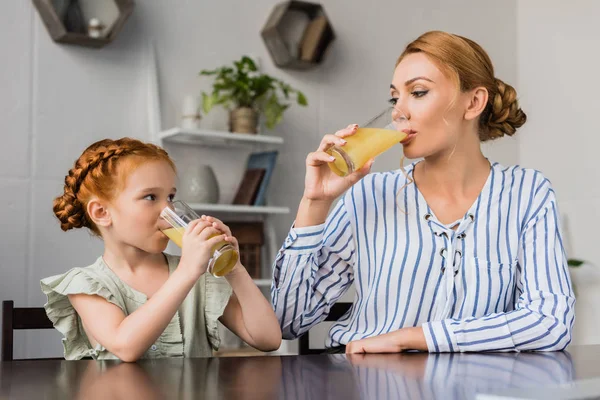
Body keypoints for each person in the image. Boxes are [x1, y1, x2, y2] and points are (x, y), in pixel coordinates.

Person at [271, 31, 574, 353]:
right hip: (366, 383)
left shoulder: (526, 193)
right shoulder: (369, 195)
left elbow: (550, 323)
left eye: (417, 92)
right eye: (394, 98)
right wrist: (314, 203)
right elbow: (287, 322)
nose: (398, 112)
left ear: (473, 102)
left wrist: (413, 338)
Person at [41, 137, 281, 361]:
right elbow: (126, 346)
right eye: (150, 197)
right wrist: (187, 271)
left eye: (171, 197)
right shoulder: (86, 285)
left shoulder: (200, 279)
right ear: (102, 213)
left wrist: (234, 269)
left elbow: (268, 339)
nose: (168, 211)